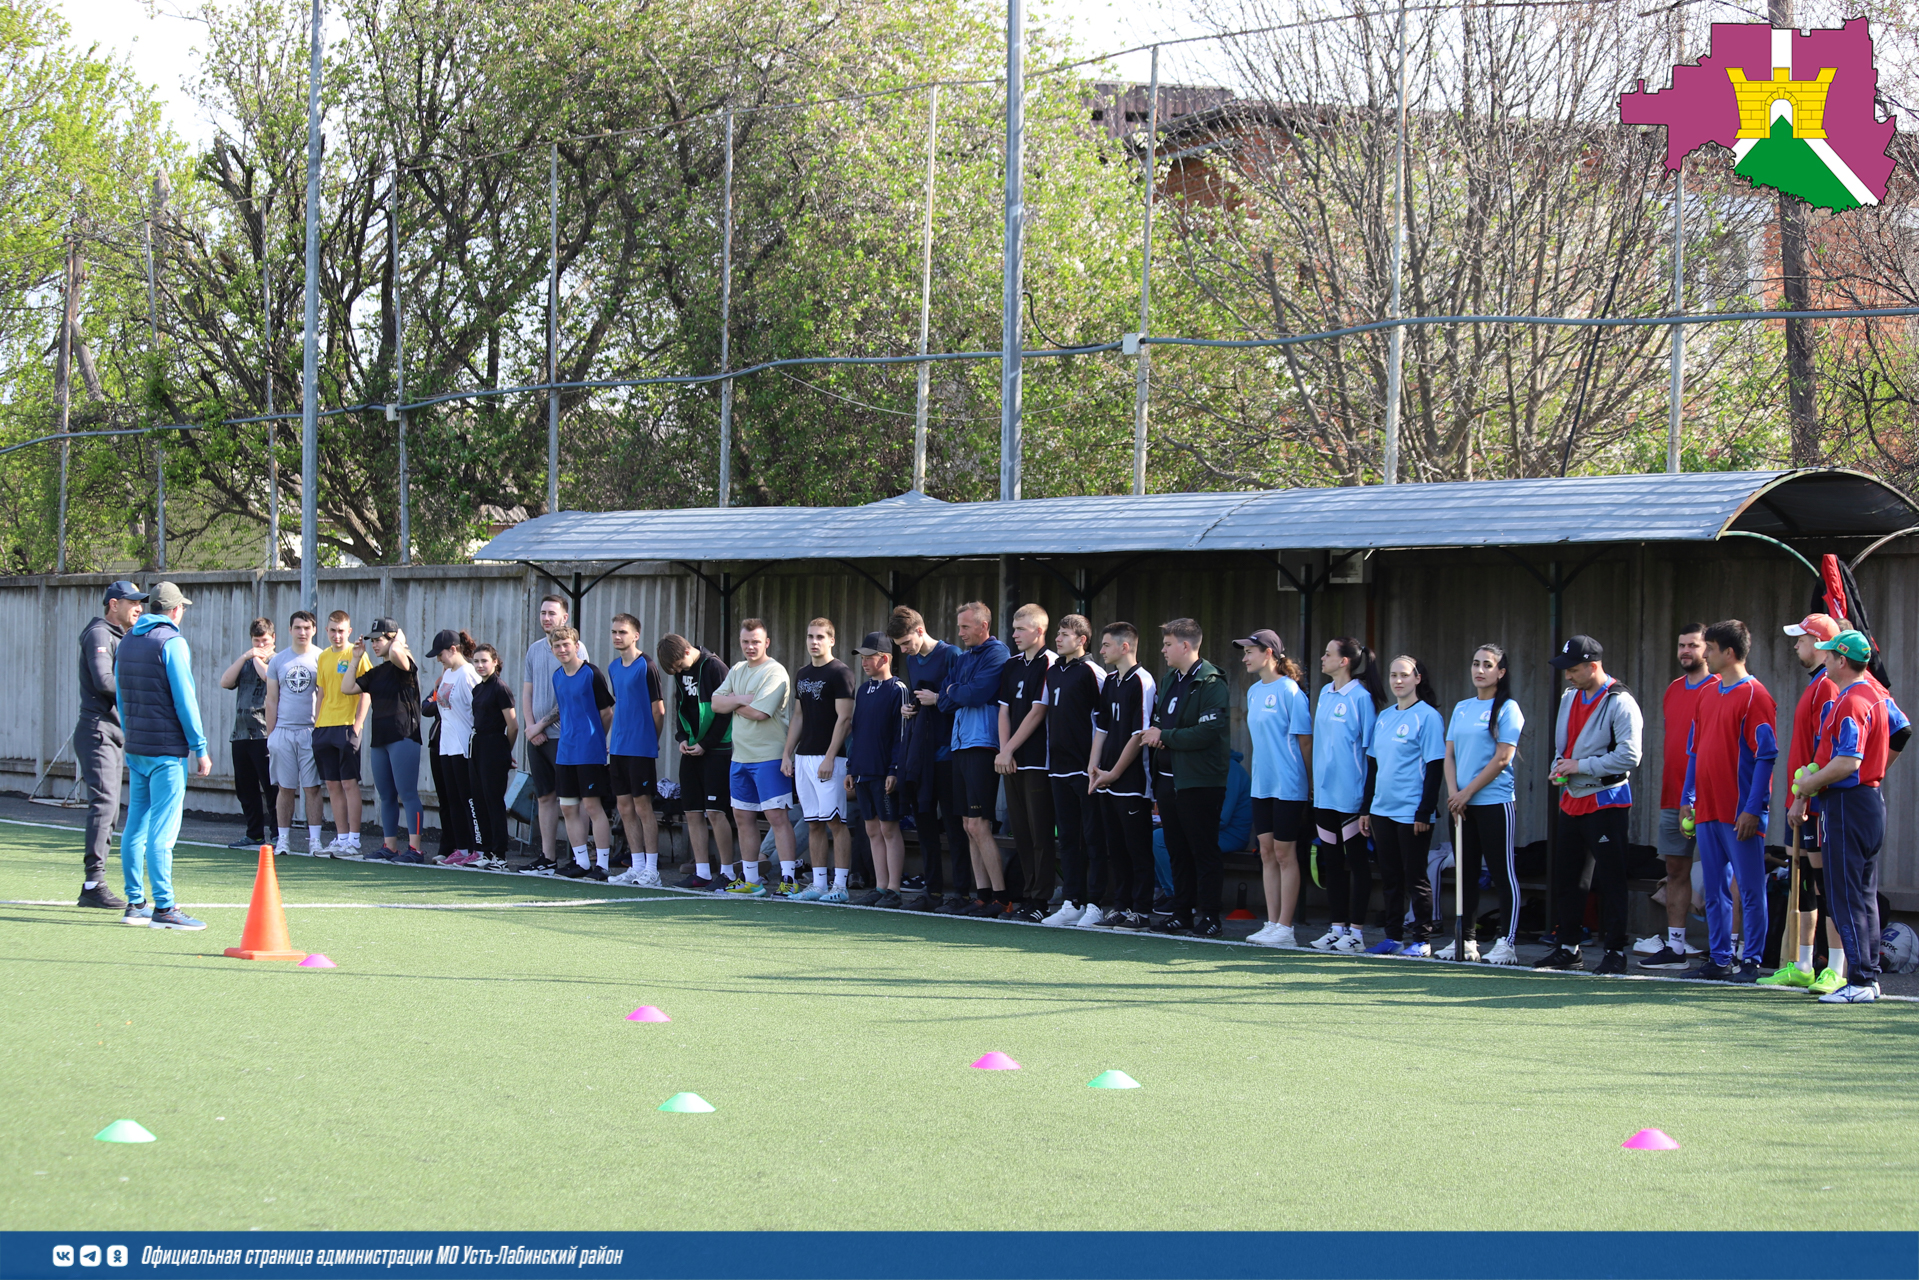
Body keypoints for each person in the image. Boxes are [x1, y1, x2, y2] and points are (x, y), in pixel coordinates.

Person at [1790, 629, 1893, 1003]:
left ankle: (1861, 980)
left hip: (1848, 804)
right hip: (1869, 800)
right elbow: (1902, 731)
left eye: (1831, 653)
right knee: (1863, 894)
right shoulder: (1878, 693)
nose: (1826, 657)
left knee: (1844, 895)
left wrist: (1807, 786)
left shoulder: (1851, 700)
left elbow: (1848, 761)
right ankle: (1869, 977)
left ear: (1842, 660)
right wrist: (1877, 770)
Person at [1535, 635, 1643, 974]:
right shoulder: (1569, 697)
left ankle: (1615, 951)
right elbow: (1563, 746)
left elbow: (1630, 755)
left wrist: (1580, 767)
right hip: (1571, 800)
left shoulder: (1620, 701)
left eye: (1573, 669)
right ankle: (1568, 947)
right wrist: (1559, 766)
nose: (1567, 675)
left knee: (1611, 879)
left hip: (1607, 801)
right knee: (1568, 878)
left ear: (1593, 666)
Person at [1679, 620, 1777, 983]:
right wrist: (1687, 796)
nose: (1704, 654)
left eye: (1710, 648)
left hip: (1740, 814)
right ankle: (1719, 958)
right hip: (1706, 810)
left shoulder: (1757, 696)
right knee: (1714, 890)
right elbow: (1694, 750)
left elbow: (1766, 755)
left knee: (1750, 889)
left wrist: (1753, 809)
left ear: (1728, 653)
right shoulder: (1706, 693)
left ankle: (1750, 960)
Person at [112, 582, 212, 930]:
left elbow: (121, 699)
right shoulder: (172, 642)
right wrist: (199, 746)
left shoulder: (126, 642)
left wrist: (130, 733)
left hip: (137, 746)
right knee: (163, 832)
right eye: (181, 607)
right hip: (166, 751)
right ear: (173, 610)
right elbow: (186, 700)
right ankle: (165, 908)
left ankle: (135, 902)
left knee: (135, 824)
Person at [1759, 613, 1841, 989]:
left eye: (1802, 639)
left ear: (1820, 643)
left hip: (1816, 803)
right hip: (1803, 801)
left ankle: (1835, 967)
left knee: (1824, 883)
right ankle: (1803, 964)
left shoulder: (1828, 686)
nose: (1796, 646)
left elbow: (1824, 750)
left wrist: (1804, 798)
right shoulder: (1816, 684)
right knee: (1803, 881)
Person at [1138, 617, 1231, 937]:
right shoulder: (1170, 679)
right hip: (1168, 780)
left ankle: (1211, 916)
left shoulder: (1211, 681)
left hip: (1199, 781)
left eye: (1167, 644)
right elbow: (1162, 721)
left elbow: (1208, 730)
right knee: (1176, 847)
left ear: (1186, 646)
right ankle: (1182, 912)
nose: (1162, 649)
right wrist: (1163, 734)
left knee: (1202, 849)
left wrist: (1167, 735)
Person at [1441, 644, 1524, 965]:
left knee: (1503, 872)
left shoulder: (1508, 709)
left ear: (1500, 673)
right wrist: (1454, 793)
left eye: (1487, 665)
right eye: (1475, 663)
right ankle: (1466, 940)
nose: (1479, 670)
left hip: (1494, 802)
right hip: (1460, 805)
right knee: (1466, 872)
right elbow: (1449, 754)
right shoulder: (1462, 707)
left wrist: (1468, 792)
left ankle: (1507, 943)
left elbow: (1503, 757)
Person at [1360, 656, 1446, 957]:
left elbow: (1435, 768)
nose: (1398, 681)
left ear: (1417, 679)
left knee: (1415, 877)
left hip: (1412, 813)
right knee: (1391, 878)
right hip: (1382, 811)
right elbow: (1373, 767)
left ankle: (1422, 940)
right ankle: (1393, 937)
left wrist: (1425, 810)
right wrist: (1366, 808)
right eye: (1393, 675)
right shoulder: (1384, 717)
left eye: (1404, 675)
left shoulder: (1428, 717)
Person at [887, 605, 968, 912]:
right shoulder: (911, 660)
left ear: (920, 631)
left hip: (948, 752)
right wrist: (910, 709)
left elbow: (962, 697)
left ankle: (961, 893)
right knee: (924, 825)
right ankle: (932, 892)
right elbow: (920, 696)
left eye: (907, 643)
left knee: (954, 825)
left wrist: (938, 701)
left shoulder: (952, 655)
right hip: (920, 754)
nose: (905, 650)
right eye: (900, 647)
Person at [1641, 623, 1712, 970]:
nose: (1685, 651)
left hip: (1713, 799)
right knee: (1675, 870)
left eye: (1693, 646)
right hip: (1673, 797)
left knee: (1721, 874)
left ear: (1708, 649)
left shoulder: (1721, 688)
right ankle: (1677, 949)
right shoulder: (1672, 690)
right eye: (1681, 645)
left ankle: (1729, 952)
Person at [1308, 638, 1386, 953]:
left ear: (1344, 661)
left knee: (1356, 861)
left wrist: (1366, 801)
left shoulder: (1361, 698)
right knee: (1331, 861)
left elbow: (1371, 754)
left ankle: (1355, 933)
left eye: (1328, 653)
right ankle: (1336, 927)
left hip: (1351, 797)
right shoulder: (1325, 694)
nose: (1322, 658)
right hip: (1324, 796)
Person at [934, 603, 1011, 916]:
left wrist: (956, 690)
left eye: (966, 627)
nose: (960, 633)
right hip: (960, 744)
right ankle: (982, 897)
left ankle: (1001, 898)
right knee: (967, 824)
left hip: (983, 744)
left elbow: (976, 694)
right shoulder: (964, 658)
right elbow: (943, 701)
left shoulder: (998, 653)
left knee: (980, 823)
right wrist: (957, 690)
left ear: (984, 626)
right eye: (960, 626)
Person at [1236, 629, 1311, 948]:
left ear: (1268, 653)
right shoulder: (1253, 692)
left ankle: (1286, 927)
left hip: (1290, 784)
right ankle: (1271, 923)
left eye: (1249, 651)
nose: (1244, 657)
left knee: (1284, 853)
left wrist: (1309, 784)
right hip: (1262, 784)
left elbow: (1305, 741)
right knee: (1266, 852)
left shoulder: (1291, 691)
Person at [75, 580, 146, 909]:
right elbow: (104, 681)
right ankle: (93, 883)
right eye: (132, 602)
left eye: (141, 603)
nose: (139, 607)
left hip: (113, 733)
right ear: (113, 603)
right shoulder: (100, 634)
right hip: (98, 731)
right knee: (104, 804)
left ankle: (95, 881)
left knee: (110, 806)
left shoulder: (123, 637)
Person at [711, 619, 793, 896]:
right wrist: (744, 699)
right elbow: (714, 703)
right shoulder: (736, 669)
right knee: (742, 817)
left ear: (766, 642)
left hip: (769, 757)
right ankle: (750, 880)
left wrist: (734, 700)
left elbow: (760, 712)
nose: (750, 646)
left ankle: (789, 880)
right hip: (740, 758)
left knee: (776, 817)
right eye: (745, 641)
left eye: (755, 641)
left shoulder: (775, 672)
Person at [528, 626, 612, 878]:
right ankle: (582, 862)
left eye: (566, 644)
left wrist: (597, 738)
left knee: (592, 807)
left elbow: (606, 712)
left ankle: (602, 865)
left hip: (589, 752)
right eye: (557, 646)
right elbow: (563, 710)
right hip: (565, 751)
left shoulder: (591, 673)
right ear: (552, 650)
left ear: (576, 646)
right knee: (568, 807)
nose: (562, 649)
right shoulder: (557, 676)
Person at [782, 618, 856, 901]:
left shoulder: (841, 673)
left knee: (835, 822)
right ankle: (819, 884)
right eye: (810, 636)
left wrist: (829, 757)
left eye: (820, 637)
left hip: (831, 760)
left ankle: (840, 886)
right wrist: (788, 754)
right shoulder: (801, 673)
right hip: (804, 759)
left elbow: (845, 719)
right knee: (813, 822)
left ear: (831, 640)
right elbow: (798, 716)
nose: (814, 642)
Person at [1088, 622, 1156, 930]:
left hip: (1131, 782)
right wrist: (1094, 765)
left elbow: (1140, 733)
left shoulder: (1142, 681)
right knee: (1115, 847)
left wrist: (1115, 772)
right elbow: (1102, 726)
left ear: (1124, 647)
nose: (1100, 651)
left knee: (1136, 847)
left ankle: (1141, 910)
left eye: (1105, 645)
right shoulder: (1111, 681)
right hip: (1105, 778)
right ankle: (1121, 905)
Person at [1042, 615, 1107, 927]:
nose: (1059, 638)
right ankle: (1072, 901)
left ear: (1082, 640)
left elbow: (1103, 723)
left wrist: (1094, 763)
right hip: (1058, 768)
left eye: (1065, 634)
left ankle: (1096, 903)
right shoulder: (1053, 671)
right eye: (1058, 633)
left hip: (1085, 770)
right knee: (1067, 837)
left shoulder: (1093, 672)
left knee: (1093, 836)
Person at [340, 619, 422, 863]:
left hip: (404, 736)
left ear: (393, 638)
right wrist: (355, 658)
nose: (374, 644)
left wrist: (398, 641)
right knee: (385, 795)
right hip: (381, 740)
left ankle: (415, 849)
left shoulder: (404, 664)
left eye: (379, 639)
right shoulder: (376, 672)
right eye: (372, 640)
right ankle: (390, 847)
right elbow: (347, 687)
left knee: (407, 794)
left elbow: (398, 654)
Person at [658, 632, 735, 890]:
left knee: (715, 811)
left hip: (717, 749)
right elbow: (681, 705)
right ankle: (701, 872)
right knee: (692, 811)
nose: (678, 671)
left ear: (687, 651)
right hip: (691, 749)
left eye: (679, 665)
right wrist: (682, 737)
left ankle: (727, 873)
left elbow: (726, 711)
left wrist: (707, 743)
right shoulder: (681, 672)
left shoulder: (714, 667)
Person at [521, 595, 589, 875]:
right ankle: (548, 858)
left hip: (563, 737)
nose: (546, 618)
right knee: (544, 797)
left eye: (552, 613)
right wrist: (530, 726)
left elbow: (573, 694)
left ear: (565, 617)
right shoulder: (535, 649)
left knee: (572, 800)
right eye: (542, 612)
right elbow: (527, 691)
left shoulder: (576, 649)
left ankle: (579, 857)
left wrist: (541, 725)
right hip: (536, 738)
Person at [996, 603, 1056, 922]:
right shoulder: (1012, 664)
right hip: (1012, 760)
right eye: (1014, 628)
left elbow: (1038, 711)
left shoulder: (1051, 663)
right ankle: (1027, 896)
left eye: (1021, 629)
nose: (1015, 634)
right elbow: (1004, 709)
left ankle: (1042, 900)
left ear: (1039, 631)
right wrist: (1005, 751)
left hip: (1038, 760)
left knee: (1040, 832)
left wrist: (1010, 750)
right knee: (1020, 831)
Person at [847, 632, 908, 906]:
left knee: (889, 828)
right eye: (862, 658)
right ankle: (880, 886)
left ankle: (894, 888)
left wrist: (894, 770)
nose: (864, 662)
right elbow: (857, 732)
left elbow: (901, 734)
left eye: (868, 657)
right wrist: (851, 767)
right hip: (862, 771)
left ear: (884, 658)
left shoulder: (898, 689)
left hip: (884, 773)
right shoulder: (863, 690)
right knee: (871, 829)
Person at [605, 614, 667, 887]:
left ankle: (652, 869)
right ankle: (637, 865)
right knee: (623, 807)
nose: (617, 636)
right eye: (614, 632)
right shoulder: (613, 667)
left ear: (636, 635)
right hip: (618, 747)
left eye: (623, 632)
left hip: (640, 749)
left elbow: (659, 710)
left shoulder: (647, 666)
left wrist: (650, 740)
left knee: (643, 807)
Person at [311, 610, 373, 856]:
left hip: (347, 726)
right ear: (326, 631)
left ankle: (355, 841)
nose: (337, 635)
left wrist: (357, 725)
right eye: (333, 630)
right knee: (332, 784)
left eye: (341, 631)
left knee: (349, 783)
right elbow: (322, 693)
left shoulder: (357, 654)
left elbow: (366, 692)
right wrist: (317, 724)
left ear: (349, 631)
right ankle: (341, 837)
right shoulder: (324, 656)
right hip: (324, 728)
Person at [265, 610, 326, 856]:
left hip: (311, 732)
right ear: (289, 630)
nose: (302, 632)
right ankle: (283, 840)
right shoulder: (278, 661)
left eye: (307, 627)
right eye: (298, 627)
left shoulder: (322, 657)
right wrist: (271, 736)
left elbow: (324, 695)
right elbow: (271, 700)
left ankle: (315, 841)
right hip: (283, 732)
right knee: (285, 788)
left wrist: (319, 730)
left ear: (314, 630)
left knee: (312, 788)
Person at [218, 616, 277, 851]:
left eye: (264, 640)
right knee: (246, 788)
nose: (260, 645)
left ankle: (276, 834)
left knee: (271, 788)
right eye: (256, 641)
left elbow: (267, 677)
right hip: (241, 734)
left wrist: (258, 660)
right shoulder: (247, 660)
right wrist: (245, 656)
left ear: (273, 639)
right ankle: (254, 834)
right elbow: (225, 682)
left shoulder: (277, 661)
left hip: (264, 733)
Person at [429, 629, 485, 867]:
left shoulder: (467, 673)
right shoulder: (448, 674)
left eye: (440, 653)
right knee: (452, 799)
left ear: (453, 649)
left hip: (464, 747)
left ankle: (477, 848)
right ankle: (461, 848)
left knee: (468, 800)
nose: (438, 659)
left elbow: (479, 710)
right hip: (446, 746)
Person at [468, 643, 519, 866]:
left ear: (495, 662)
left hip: (495, 744)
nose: (480, 665)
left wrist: (504, 753)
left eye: (484, 661)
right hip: (477, 745)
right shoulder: (478, 689)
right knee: (478, 799)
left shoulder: (500, 688)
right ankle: (485, 852)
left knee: (493, 800)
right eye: (476, 661)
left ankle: (499, 855)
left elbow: (513, 725)